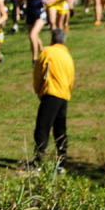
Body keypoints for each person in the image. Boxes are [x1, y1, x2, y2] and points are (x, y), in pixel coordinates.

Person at [32, 29, 74, 171]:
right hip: (64, 95)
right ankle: (62, 162)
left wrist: (38, 90)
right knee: (60, 129)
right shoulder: (67, 56)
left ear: (52, 39)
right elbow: (71, 78)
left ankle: (38, 160)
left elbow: (38, 72)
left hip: (51, 93)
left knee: (42, 127)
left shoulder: (47, 52)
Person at [21, 0, 54, 64]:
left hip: (40, 14)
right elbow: (20, 1)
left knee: (32, 35)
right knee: (35, 36)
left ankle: (35, 58)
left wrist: (47, 1)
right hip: (30, 14)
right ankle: (43, 51)